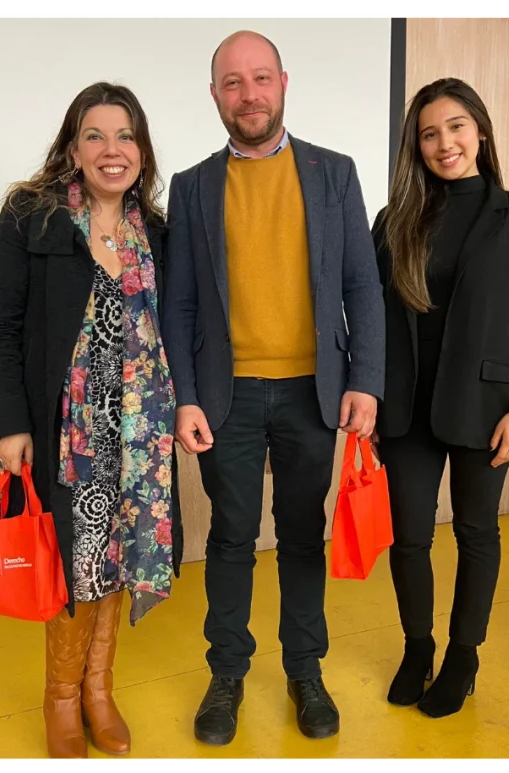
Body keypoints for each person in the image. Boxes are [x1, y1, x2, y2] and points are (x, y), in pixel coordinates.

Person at [162, 31, 384, 745]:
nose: (248, 94)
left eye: (260, 78)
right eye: (233, 82)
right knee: (229, 536)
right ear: (215, 94)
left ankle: (304, 668)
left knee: (300, 535)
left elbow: (361, 286)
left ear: (283, 83)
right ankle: (226, 672)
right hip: (225, 397)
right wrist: (185, 395)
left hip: (311, 394)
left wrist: (367, 381)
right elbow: (181, 305)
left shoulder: (333, 173)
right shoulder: (192, 186)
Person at [0, 82, 180, 758]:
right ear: (72, 148)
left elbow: (175, 326)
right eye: (95, 135)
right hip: (66, 433)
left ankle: (100, 687)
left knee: (118, 560)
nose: (111, 149)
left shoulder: (154, 230)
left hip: (141, 438)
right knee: (76, 559)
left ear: (142, 151)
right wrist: (10, 422)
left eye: (125, 136)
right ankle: (63, 696)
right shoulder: (29, 218)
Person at [372, 78, 509, 718]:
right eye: (429, 132)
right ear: (415, 145)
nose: (445, 143)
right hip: (406, 406)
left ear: (480, 130)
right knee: (411, 538)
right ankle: (418, 647)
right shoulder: (395, 220)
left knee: (476, 534)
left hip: (487, 404)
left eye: (456, 126)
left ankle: (463, 654)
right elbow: (373, 316)